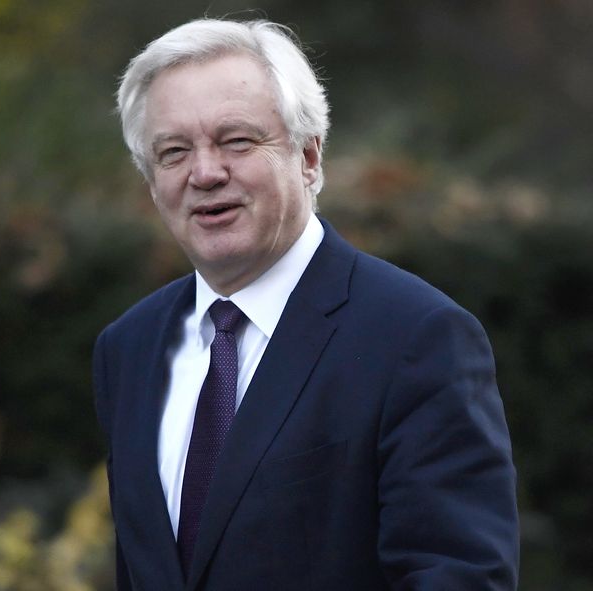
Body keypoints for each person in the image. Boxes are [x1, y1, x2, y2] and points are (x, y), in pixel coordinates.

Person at [93, 17, 519, 591]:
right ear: (151, 180)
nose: (205, 172)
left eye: (236, 140)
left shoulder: (417, 338)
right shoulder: (129, 348)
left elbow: (459, 577)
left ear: (310, 157)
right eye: (173, 152)